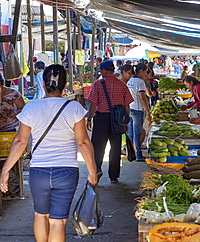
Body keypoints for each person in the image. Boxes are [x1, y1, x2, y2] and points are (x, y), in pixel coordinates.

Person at [0, 64, 97, 242]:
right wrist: (92, 171)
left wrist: (5, 170)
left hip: (39, 171)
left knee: (40, 215)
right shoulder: (74, 108)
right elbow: (83, 142)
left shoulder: (31, 108)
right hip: (66, 171)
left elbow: (20, 141)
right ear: (65, 85)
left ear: (43, 84)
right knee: (58, 222)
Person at [87, 60, 133, 183]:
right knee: (115, 147)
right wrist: (125, 121)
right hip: (117, 119)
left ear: (104, 70)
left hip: (102, 118)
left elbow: (93, 103)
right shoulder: (122, 84)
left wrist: (89, 118)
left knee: (98, 147)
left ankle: (96, 171)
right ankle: (114, 176)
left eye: (101, 71)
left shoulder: (98, 84)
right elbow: (127, 105)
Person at [127, 63, 152, 161]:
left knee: (131, 133)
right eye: (145, 72)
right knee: (137, 133)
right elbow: (143, 98)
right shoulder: (140, 82)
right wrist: (148, 112)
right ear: (141, 71)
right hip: (137, 110)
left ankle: (130, 153)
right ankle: (138, 155)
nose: (146, 74)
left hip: (130, 108)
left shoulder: (130, 80)